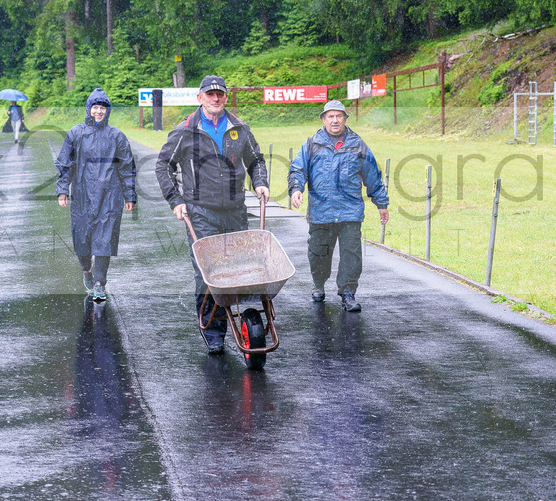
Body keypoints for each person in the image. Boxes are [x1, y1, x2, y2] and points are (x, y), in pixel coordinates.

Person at [155, 75, 269, 354]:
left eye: (220, 94)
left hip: (235, 211)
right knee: (209, 272)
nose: (215, 98)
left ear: (226, 97)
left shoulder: (239, 128)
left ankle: (244, 320)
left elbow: (255, 160)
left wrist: (260, 181)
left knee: (240, 267)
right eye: (210, 94)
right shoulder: (185, 130)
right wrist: (175, 200)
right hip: (201, 212)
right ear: (200, 98)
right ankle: (214, 331)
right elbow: (163, 166)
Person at [288, 100, 389, 312]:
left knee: (352, 255)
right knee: (318, 254)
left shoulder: (357, 144)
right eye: (331, 116)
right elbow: (298, 169)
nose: (335, 120)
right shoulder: (312, 144)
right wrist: (296, 188)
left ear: (345, 119)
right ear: (324, 119)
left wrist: (381, 203)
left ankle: (348, 293)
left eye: (339, 116)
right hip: (321, 212)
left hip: (350, 212)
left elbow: (372, 175)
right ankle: (318, 283)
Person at [55, 88, 137, 301]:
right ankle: (87, 270)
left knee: (104, 240)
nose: (99, 111)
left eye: (102, 108)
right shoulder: (76, 134)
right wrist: (62, 190)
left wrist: (129, 195)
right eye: (95, 107)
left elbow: (126, 167)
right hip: (82, 195)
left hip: (109, 196)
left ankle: (100, 282)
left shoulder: (116, 136)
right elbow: (65, 164)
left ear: (108, 110)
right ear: (88, 109)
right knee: (82, 240)